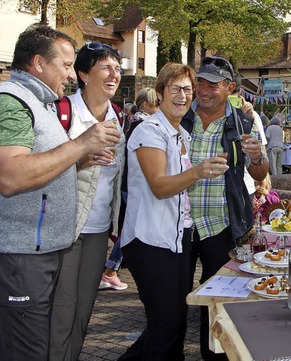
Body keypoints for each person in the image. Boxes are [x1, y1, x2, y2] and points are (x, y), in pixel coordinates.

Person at [0, 24, 120, 360]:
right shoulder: (7, 101)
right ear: (38, 63)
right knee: (25, 352)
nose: (72, 76)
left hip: (38, 253)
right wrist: (82, 143)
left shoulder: (40, 104)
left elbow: (41, 165)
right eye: (66, 65)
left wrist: (80, 161)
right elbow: (9, 176)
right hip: (17, 255)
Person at [117, 62, 208, 360]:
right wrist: (199, 172)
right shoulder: (149, 131)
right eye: (175, 89)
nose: (183, 96)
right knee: (167, 322)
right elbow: (159, 185)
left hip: (178, 238)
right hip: (149, 240)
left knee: (172, 320)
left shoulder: (183, 134)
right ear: (160, 93)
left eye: (187, 90)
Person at [181, 56, 268, 360]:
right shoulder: (180, 116)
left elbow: (259, 173)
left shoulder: (244, 122)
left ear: (230, 87)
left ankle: (213, 355)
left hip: (222, 224)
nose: (204, 90)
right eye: (200, 82)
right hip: (179, 224)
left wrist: (257, 159)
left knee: (217, 299)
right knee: (174, 301)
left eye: (213, 84)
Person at [49, 41, 126, 361]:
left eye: (118, 69)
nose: (115, 74)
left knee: (83, 309)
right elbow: (41, 168)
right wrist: (81, 160)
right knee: (62, 308)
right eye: (106, 68)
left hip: (97, 230)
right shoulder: (62, 112)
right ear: (83, 73)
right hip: (65, 227)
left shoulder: (118, 116)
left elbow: (119, 178)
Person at [100, 86, 160, 291]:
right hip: (134, 185)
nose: (158, 107)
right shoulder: (142, 125)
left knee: (130, 225)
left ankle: (111, 268)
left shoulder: (133, 122)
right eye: (155, 103)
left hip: (129, 183)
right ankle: (111, 269)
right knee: (131, 227)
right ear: (146, 105)